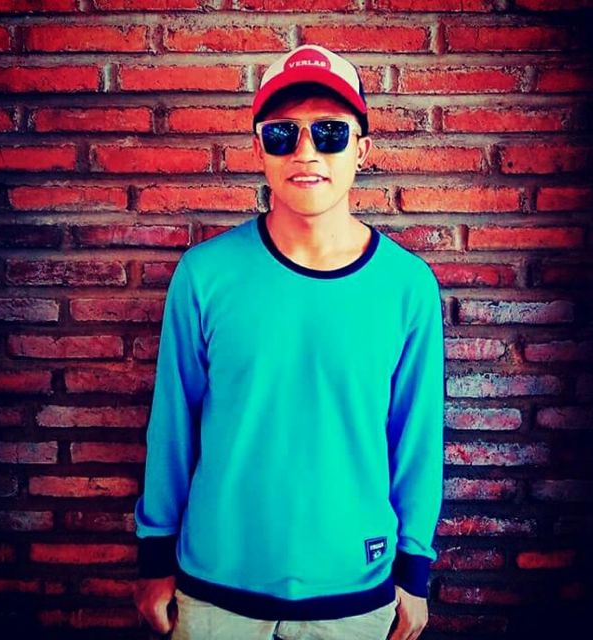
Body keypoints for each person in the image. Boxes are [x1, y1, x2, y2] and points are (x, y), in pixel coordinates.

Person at [133, 44, 445, 640]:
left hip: (354, 593)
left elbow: (418, 439)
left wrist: (414, 568)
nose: (306, 152)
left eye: (330, 132)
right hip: (214, 589)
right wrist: (154, 557)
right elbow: (172, 425)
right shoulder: (205, 274)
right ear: (258, 149)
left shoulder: (407, 286)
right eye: (282, 134)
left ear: (362, 149)